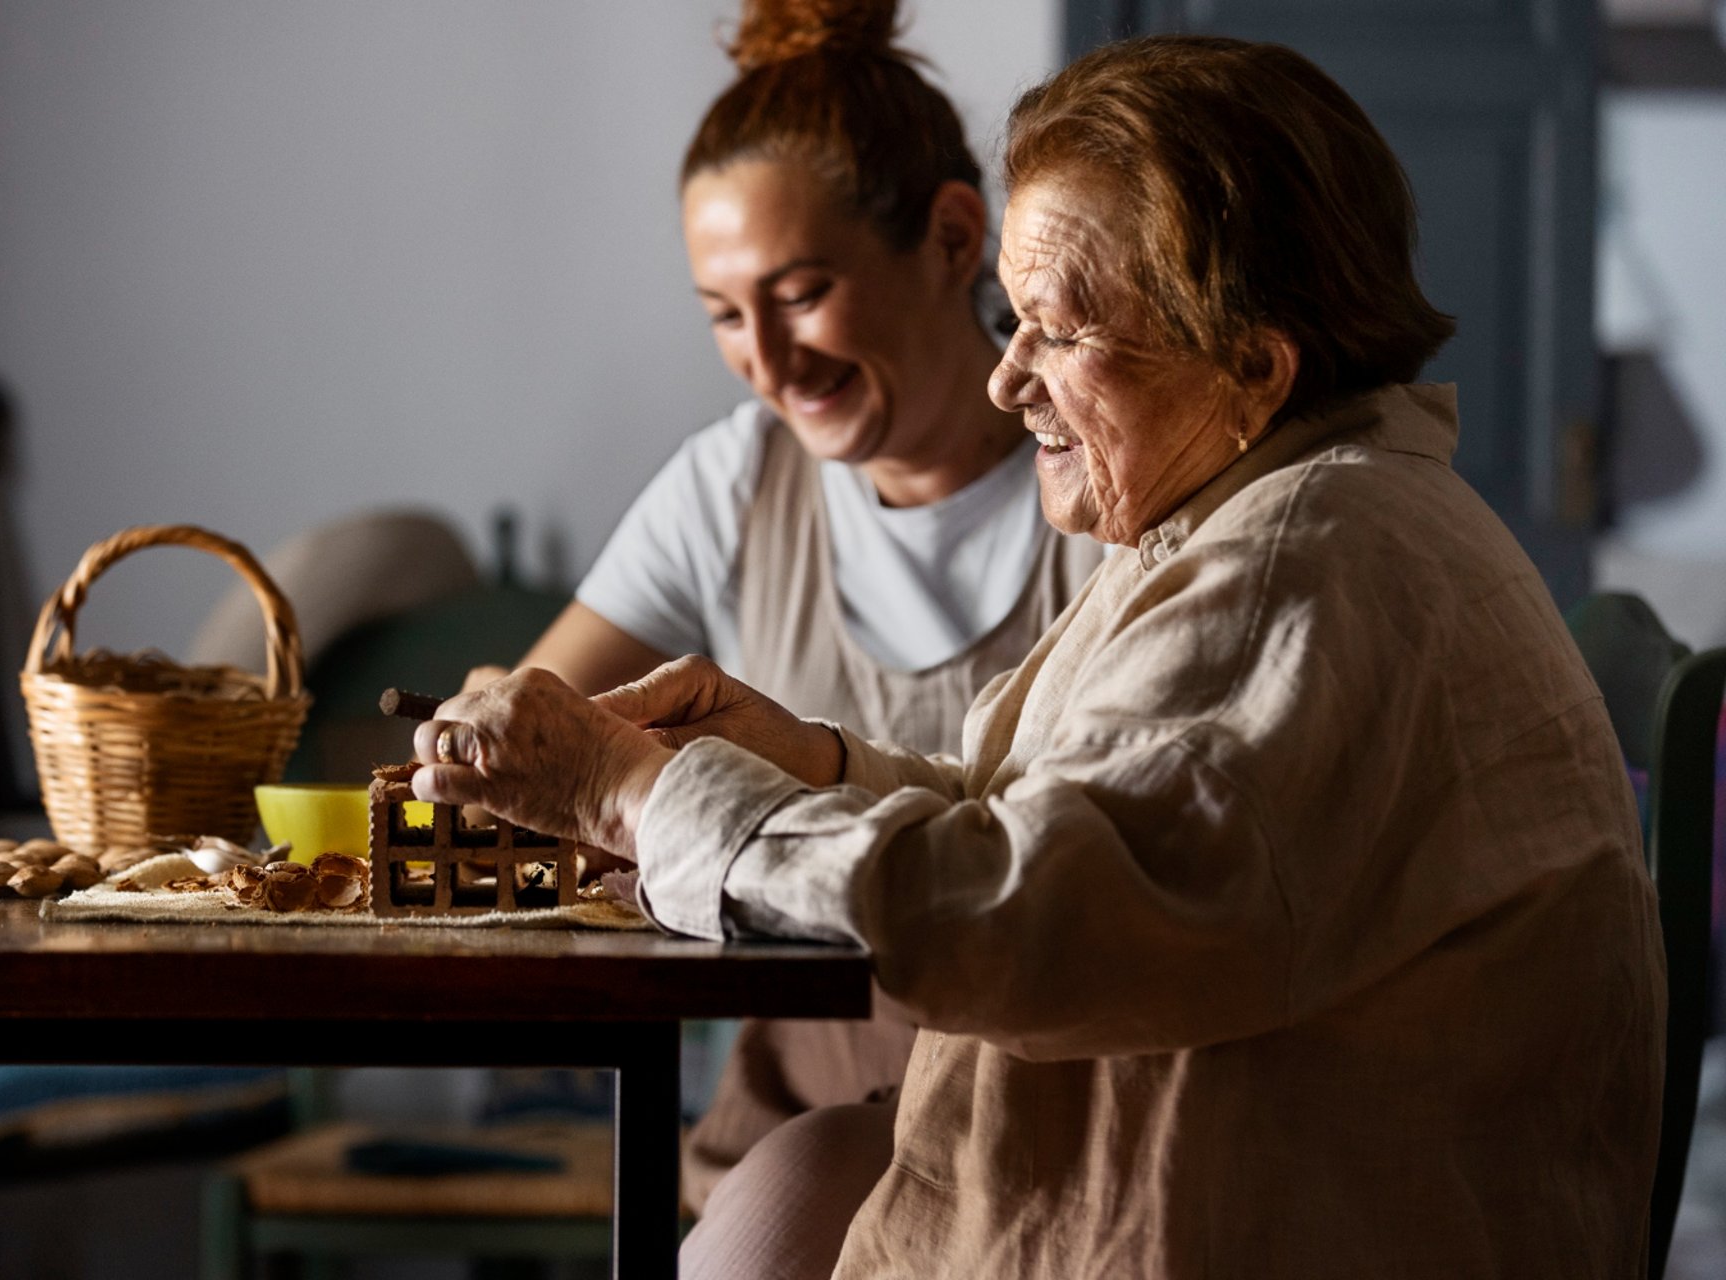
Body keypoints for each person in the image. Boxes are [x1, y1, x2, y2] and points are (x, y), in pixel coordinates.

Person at [420, 33, 1665, 1280]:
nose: (1009, 381)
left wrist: (626, 790)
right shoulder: (1252, 512)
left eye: (1058, 333)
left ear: (1253, 364)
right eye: (1011, 326)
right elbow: (1061, 823)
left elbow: (1033, 913)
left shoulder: (1300, 560)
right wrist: (804, 759)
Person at [465, 0, 1101, 1214]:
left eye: (803, 292)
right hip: (778, 1130)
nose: (765, 355)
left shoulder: (1100, 483)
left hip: (1044, 1137)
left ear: (952, 236)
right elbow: (537, 714)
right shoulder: (736, 480)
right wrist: (497, 725)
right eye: (722, 312)